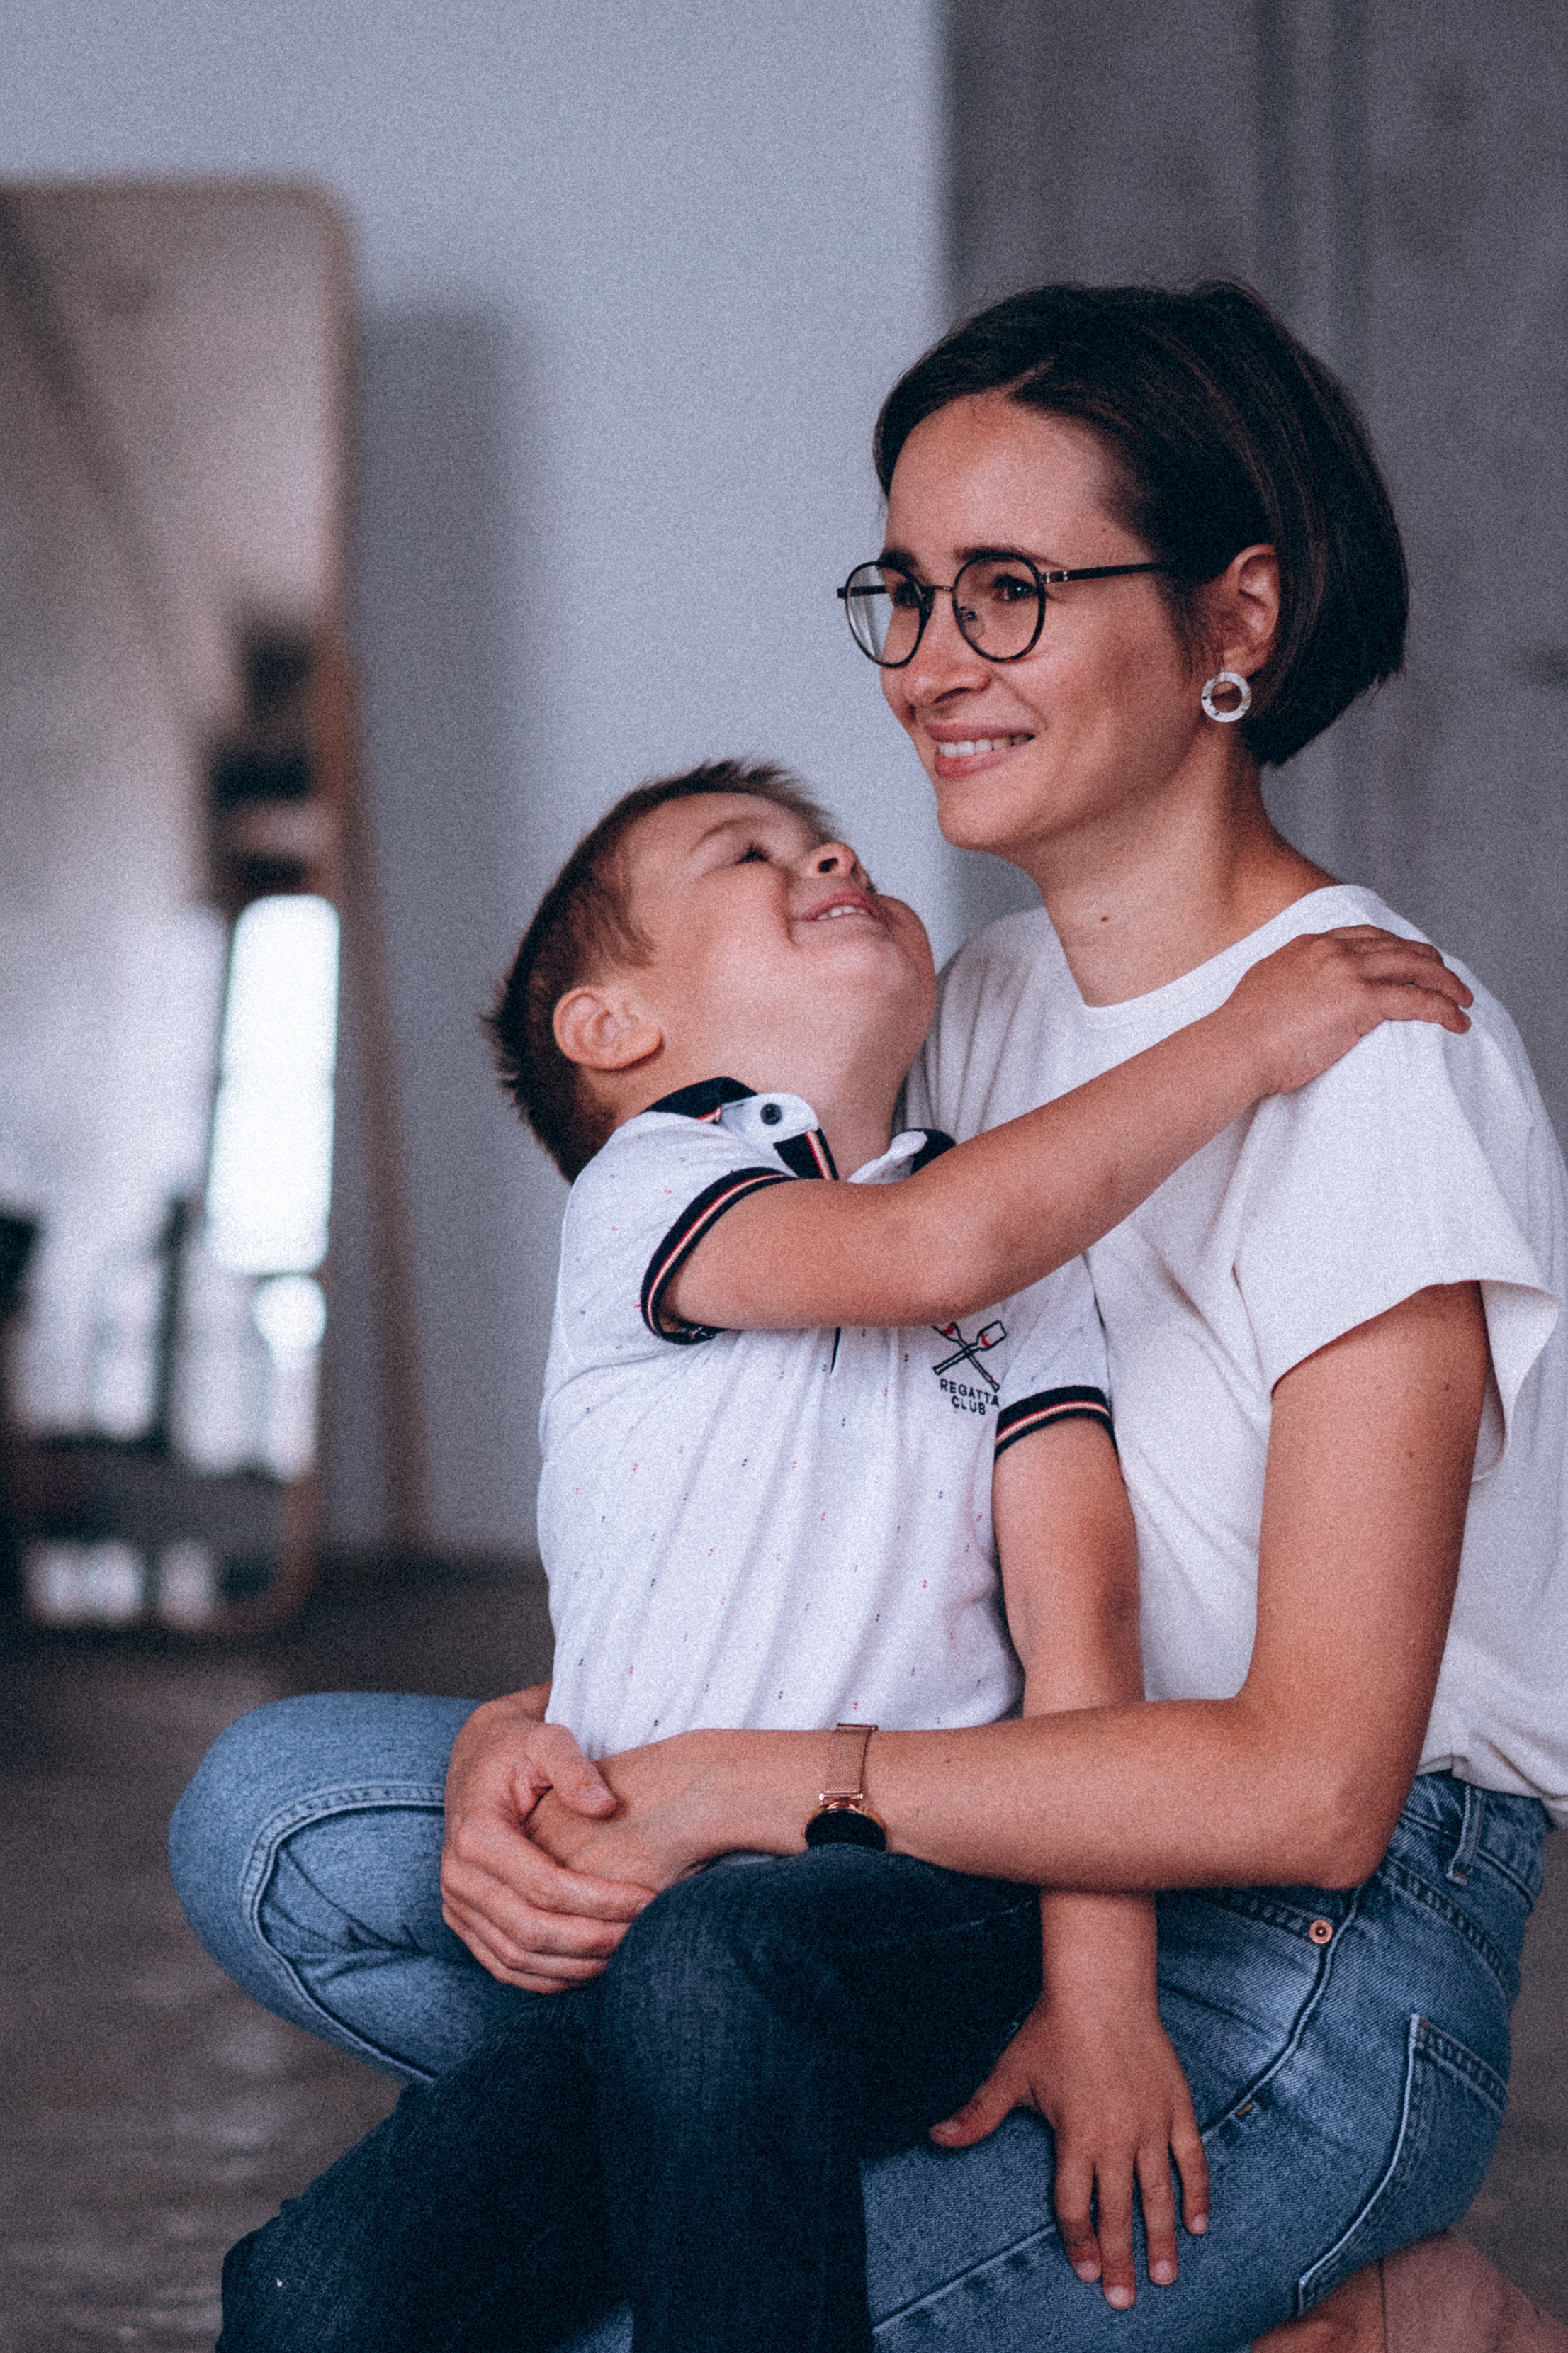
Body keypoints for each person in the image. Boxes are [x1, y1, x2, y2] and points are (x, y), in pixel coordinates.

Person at [169, 280, 1568, 2353]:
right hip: (957, 1863)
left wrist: (746, 1784)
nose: (926, 665)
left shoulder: (1367, 1050)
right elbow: (815, 1469)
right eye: (901, 592)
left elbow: (1307, 1794)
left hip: (1291, 1957)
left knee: (551, 2312)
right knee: (283, 1826)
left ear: (1233, 624)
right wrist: (535, 1748)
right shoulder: (962, 1009)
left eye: (1003, 590)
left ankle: (1369, 2303)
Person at [203, 756, 1462, 2351]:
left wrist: (1101, 1994)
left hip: (913, 1902)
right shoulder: (654, 1188)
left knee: (717, 1976)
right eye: (751, 854)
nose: (830, 856)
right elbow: (938, 1247)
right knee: (308, 2301)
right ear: (613, 1029)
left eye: (824, 837)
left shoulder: (1014, 1254)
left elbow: (1084, 1618)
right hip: (637, 1904)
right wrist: (1246, 1041)